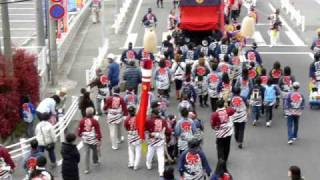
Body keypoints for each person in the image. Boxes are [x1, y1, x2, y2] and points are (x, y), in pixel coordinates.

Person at [146, 109, 171, 177]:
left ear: (153, 114)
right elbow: (168, 131)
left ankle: (148, 164)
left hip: (152, 140)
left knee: (150, 153)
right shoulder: (163, 120)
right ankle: (161, 171)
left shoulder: (149, 120)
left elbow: (146, 129)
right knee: (160, 156)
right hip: (160, 140)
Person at [78, 107, 102, 174]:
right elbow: (98, 131)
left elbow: (80, 129)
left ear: (86, 113)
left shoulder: (82, 121)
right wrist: (99, 139)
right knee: (95, 150)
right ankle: (95, 161)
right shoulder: (95, 121)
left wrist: (79, 135)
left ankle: (86, 168)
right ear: (92, 113)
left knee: (86, 153)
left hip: (85, 139)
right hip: (93, 139)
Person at [124, 106, 141, 170]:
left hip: (130, 135)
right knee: (138, 150)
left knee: (131, 150)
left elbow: (126, 127)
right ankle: (136, 165)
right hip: (137, 135)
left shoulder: (127, 119)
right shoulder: (138, 117)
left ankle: (131, 163)